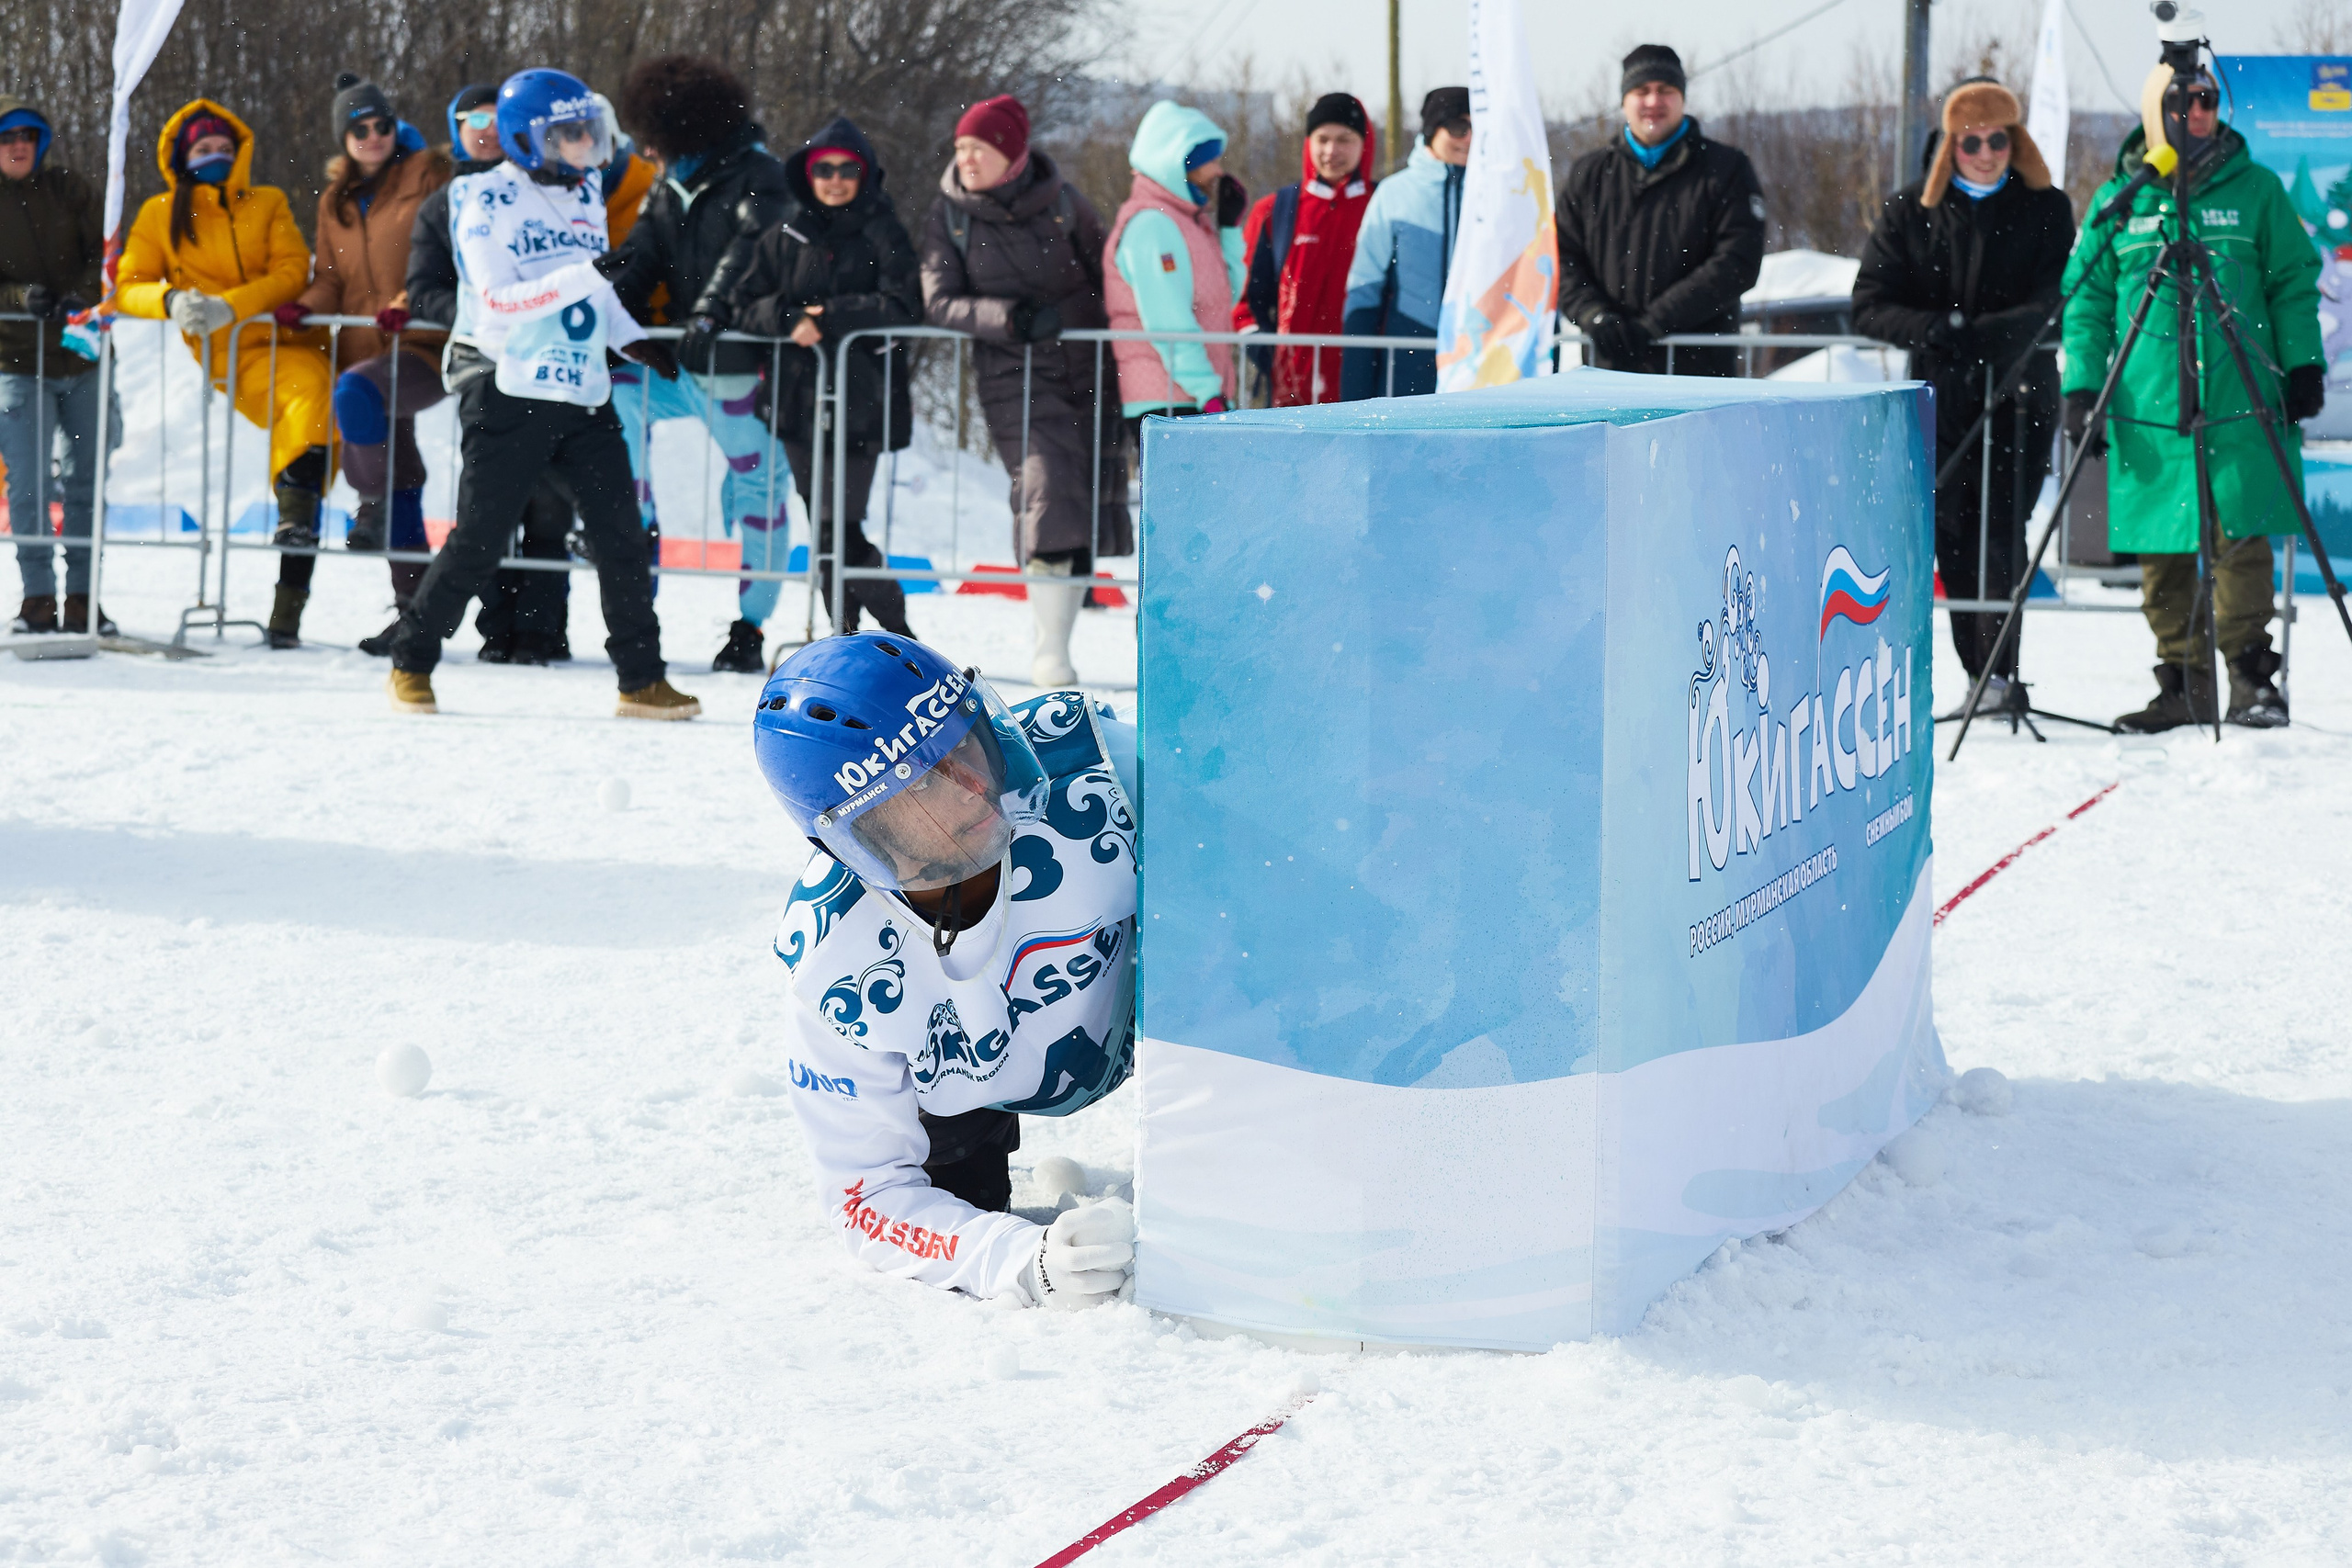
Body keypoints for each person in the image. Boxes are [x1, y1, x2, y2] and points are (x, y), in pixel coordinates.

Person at [757, 633, 1138, 1306]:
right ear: (860, 830)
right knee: (964, 1221)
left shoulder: (1100, 770)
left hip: (1159, 1021)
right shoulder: (833, 968)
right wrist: (1020, 1259)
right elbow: (870, 1196)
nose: (974, 789)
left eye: (967, 744)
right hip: (965, 1096)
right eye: (925, 784)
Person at [385, 68, 697, 720]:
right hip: (504, 383)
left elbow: (597, 295)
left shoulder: (584, 193)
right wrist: (582, 276)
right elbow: (496, 301)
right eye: (569, 134)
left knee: (620, 533)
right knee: (481, 537)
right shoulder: (479, 198)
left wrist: (635, 339)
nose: (585, 145)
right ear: (529, 139)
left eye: (590, 132)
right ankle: (411, 662)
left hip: (580, 384)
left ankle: (641, 678)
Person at [2064, 68, 2322, 731]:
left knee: (2240, 538)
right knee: (2164, 547)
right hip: (2152, 407)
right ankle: (2181, 683)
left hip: (2242, 398)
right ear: (2156, 111)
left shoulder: (2259, 189)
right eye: (2181, 101)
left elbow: (2293, 282)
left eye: (2207, 99)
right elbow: (2087, 304)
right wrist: (2081, 386)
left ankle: (2250, 680)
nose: (2198, 112)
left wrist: (2303, 365)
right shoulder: (2122, 198)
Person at [1852, 78, 2074, 714]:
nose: (1985, 152)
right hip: (1939, 398)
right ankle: (1981, 675)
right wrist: (1935, 329)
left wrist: (1989, 338)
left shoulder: (2046, 208)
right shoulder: (1908, 213)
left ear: (2015, 141)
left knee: (2002, 532)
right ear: (1952, 145)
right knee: (1951, 535)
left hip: (2021, 393)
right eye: (1972, 141)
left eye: (1998, 139)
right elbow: (1868, 305)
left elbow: (2055, 301)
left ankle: (2003, 674)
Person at [920, 93, 1127, 689]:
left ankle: (1064, 636)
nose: (965, 159)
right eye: (959, 148)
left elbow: (1108, 270)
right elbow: (938, 300)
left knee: (1081, 495)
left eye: (977, 149)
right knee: (1044, 482)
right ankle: (1050, 652)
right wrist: (1008, 318)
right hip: (1013, 371)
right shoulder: (950, 213)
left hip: (1087, 368)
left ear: (1009, 154)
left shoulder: (1062, 202)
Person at [600, 55, 797, 674]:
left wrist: (711, 313)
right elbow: (642, 254)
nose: (648, 148)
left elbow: (749, 254)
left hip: (740, 364)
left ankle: (751, 621)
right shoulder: (670, 183)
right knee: (617, 401)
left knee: (759, 486)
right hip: (682, 360)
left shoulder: (762, 177)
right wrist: (606, 313)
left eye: (655, 134)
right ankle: (640, 525)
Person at [117, 99, 335, 649]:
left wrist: (230, 306)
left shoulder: (268, 202)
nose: (214, 156)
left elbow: (291, 269)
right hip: (235, 357)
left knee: (313, 432)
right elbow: (127, 285)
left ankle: (290, 584)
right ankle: (296, 509)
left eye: (223, 148)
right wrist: (170, 303)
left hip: (294, 341)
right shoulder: (159, 214)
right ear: (182, 157)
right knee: (309, 400)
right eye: (203, 149)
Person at [390, 81, 575, 665]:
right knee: (490, 506)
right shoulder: (444, 203)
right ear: (457, 130)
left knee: (550, 503)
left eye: (500, 118)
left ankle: (543, 629)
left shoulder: (555, 191)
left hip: (550, 366)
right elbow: (424, 291)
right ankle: (497, 628)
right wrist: (483, 309)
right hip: (484, 366)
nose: (488, 129)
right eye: (474, 119)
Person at [724, 116, 920, 647]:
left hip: (864, 402)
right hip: (798, 404)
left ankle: (897, 636)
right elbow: (743, 304)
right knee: (827, 533)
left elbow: (905, 304)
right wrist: (788, 320)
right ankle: (846, 639)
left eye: (847, 170)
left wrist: (831, 316)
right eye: (824, 169)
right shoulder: (783, 235)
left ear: (865, 175)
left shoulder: (885, 230)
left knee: (840, 532)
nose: (835, 180)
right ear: (807, 175)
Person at [290, 74, 451, 636]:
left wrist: (413, 300)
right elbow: (330, 282)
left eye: (383, 125)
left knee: (356, 393)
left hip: (426, 343)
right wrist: (301, 305)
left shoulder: (428, 174)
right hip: (366, 347)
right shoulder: (335, 201)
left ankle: (370, 507)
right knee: (399, 475)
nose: (374, 136)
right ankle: (414, 613)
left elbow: (447, 252)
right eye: (359, 129)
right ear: (343, 139)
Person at [1555, 45, 1767, 377]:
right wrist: (1596, 316)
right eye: (1642, 91)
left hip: (1698, 374)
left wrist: (1655, 325)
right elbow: (1561, 258)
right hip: (1609, 371)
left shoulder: (1726, 169)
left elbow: (1738, 261)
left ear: (1681, 98)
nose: (1654, 102)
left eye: (1665, 91)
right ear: (1624, 100)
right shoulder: (1589, 174)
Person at [0, 96, 112, 637]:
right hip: (17, 359)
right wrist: (22, 295)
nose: (18, 145)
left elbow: (108, 254)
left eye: (26, 135)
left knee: (87, 481)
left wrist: (79, 296)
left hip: (83, 354)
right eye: (6, 137)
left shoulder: (70, 187)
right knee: (27, 485)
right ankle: (38, 597)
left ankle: (84, 599)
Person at [1104, 101, 1246, 429]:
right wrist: (1208, 393)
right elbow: (1168, 321)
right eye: (1207, 160)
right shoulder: (1152, 226)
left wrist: (1230, 229)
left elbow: (1227, 296)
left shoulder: (1189, 222)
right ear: (1175, 164)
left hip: (1193, 397)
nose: (1217, 171)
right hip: (1167, 402)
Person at [1237, 93, 1377, 408]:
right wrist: (1265, 350)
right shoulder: (1275, 211)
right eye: (1322, 139)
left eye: (1345, 139)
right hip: (1291, 393)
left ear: (1364, 144)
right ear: (1308, 142)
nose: (1332, 151)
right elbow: (1246, 299)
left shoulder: (1384, 206)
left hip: (1368, 390)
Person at [1340, 86, 1468, 401]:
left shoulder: (1498, 195)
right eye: (1458, 128)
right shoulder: (1395, 193)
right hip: (1410, 355)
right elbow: (1365, 288)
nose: (1469, 138)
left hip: (1479, 359)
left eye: (1479, 128)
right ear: (1431, 130)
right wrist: (1356, 385)